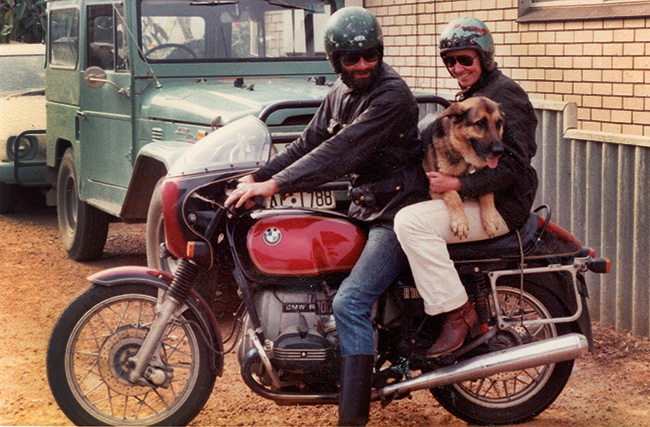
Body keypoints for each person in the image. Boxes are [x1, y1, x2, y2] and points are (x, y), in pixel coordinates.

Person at [224, 7, 428, 426]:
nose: (362, 65)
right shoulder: (340, 92)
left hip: (396, 210)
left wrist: (275, 187)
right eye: (351, 59)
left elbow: (341, 151)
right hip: (367, 206)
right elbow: (308, 142)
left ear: (379, 51)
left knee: (350, 302)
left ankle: (351, 419)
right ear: (336, 61)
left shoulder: (391, 94)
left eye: (370, 55)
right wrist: (256, 176)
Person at [394, 17, 539, 358]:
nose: (457, 67)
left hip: (503, 205)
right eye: (450, 61)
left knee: (409, 223)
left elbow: (515, 166)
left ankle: (458, 315)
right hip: (479, 197)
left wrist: (459, 184)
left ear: (484, 57)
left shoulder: (506, 97)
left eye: (465, 59)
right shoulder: (475, 95)